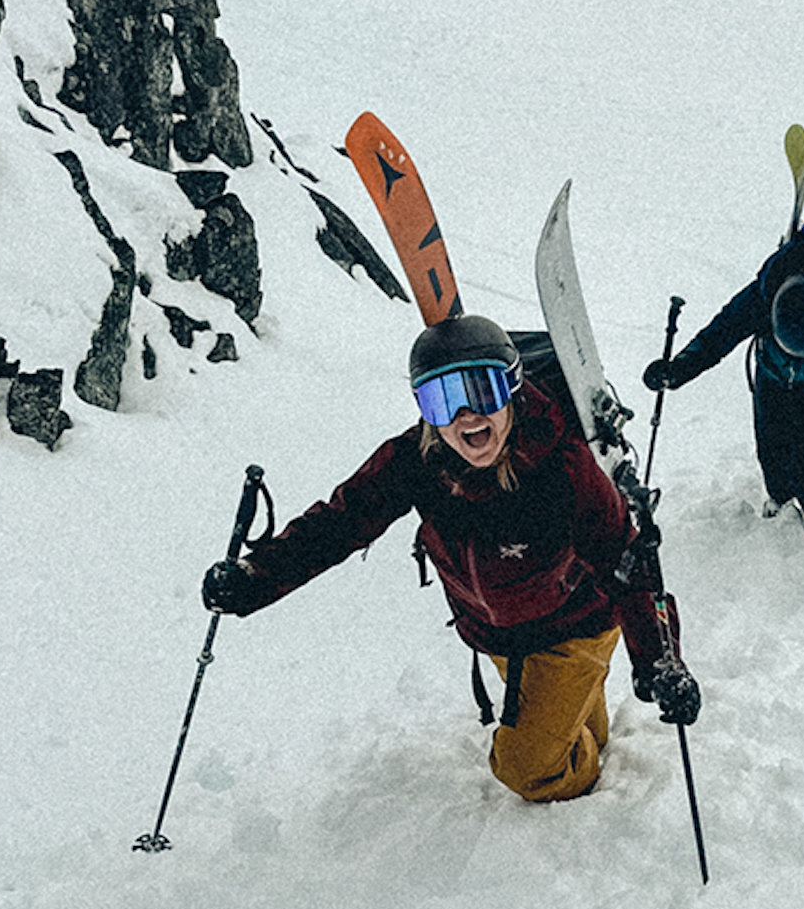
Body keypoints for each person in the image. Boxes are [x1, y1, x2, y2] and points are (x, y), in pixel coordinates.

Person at [201, 314, 699, 803]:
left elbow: (626, 561)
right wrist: (255, 579)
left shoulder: (562, 465)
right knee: (559, 723)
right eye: (442, 399)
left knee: (527, 770)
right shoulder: (416, 462)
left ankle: (581, 759)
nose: (465, 416)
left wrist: (660, 660)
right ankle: (572, 718)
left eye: (482, 391)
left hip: (574, 624)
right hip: (500, 636)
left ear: (514, 389)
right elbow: (339, 523)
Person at [642, 214, 804, 540]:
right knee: (772, 453)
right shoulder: (765, 292)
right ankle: (779, 495)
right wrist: (678, 370)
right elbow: (720, 334)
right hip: (777, 380)